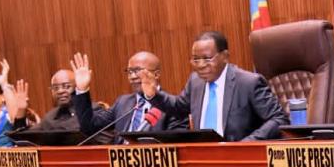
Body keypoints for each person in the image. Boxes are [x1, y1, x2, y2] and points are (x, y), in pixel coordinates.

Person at [139, 31, 288, 141]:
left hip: (240, 160)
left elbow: (278, 119)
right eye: (196, 59)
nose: (201, 65)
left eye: (207, 58)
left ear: (225, 57)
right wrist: (154, 94)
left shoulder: (248, 83)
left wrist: (247, 143)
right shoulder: (195, 81)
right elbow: (178, 108)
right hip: (204, 158)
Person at [71, 52, 187, 144]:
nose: (132, 76)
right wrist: (82, 90)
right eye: (129, 72)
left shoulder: (172, 107)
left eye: (137, 71)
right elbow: (89, 126)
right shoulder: (123, 102)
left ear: (156, 74)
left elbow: (176, 147)